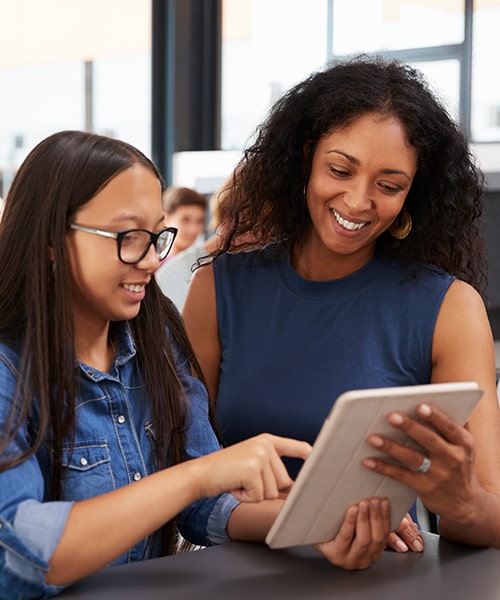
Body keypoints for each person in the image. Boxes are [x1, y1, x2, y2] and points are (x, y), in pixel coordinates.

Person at [183, 54, 500, 551]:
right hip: (232, 575)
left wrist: (461, 502)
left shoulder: (449, 308)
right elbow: (179, 476)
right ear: (307, 156)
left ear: (414, 194)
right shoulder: (219, 289)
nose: (357, 201)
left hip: (378, 578)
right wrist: (313, 518)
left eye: (389, 185)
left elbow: (485, 515)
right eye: (340, 169)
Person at [0, 130, 316, 599]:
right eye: (129, 236)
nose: (150, 259)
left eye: (156, 236)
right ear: (51, 238)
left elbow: (207, 504)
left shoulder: (155, 339)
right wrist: (195, 477)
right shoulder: (10, 370)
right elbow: (22, 551)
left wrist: (317, 521)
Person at [161, 186, 208, 261]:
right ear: (166, 219)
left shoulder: (206, 264)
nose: (193, 229)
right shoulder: (155, 268)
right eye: (185, 220)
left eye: (199, 221)